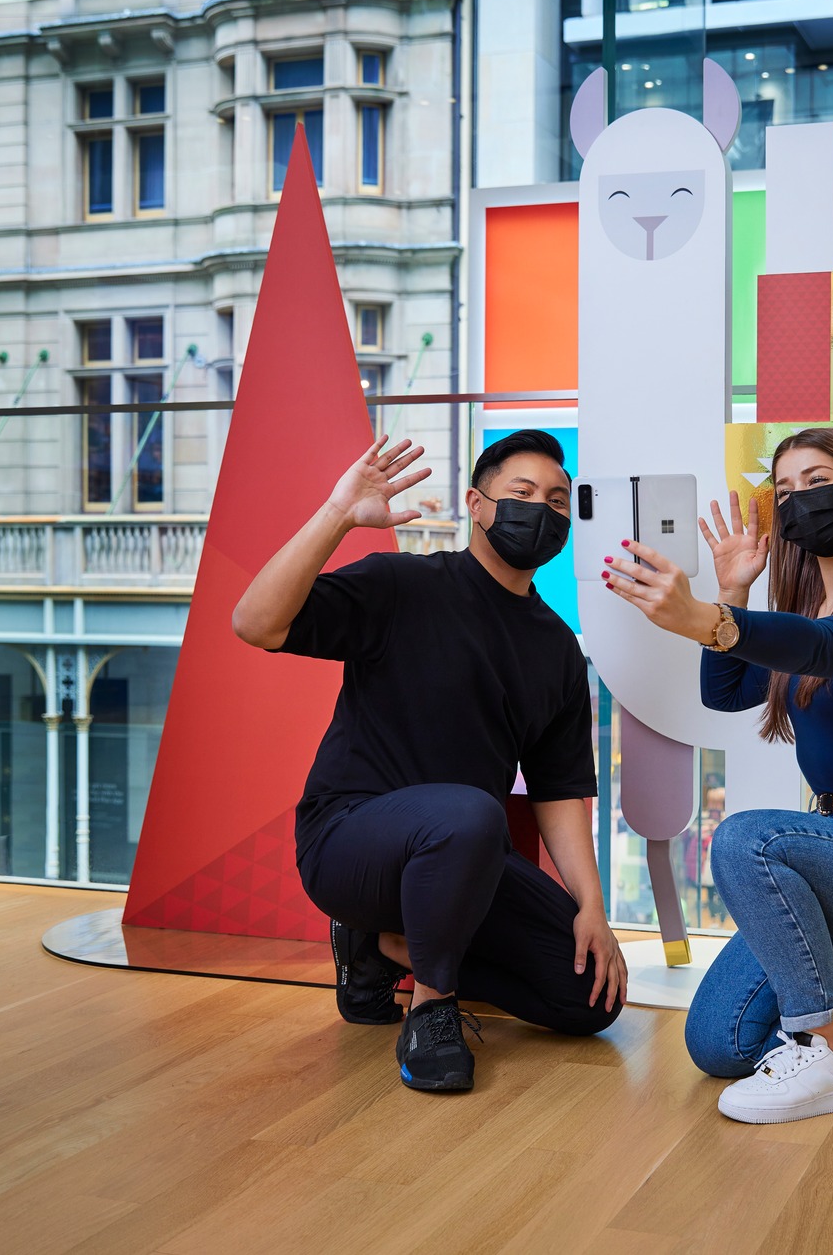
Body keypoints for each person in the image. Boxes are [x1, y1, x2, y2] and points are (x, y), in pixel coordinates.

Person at [233, 429, 626, 1093]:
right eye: (522, 494)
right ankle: (432, 1006)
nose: (542, 510)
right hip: (348, 841)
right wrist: (336, 515)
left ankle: (385, 946)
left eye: (558, 500)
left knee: (592, 998)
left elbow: (560, 791)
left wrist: (592, 906)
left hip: (465, 858)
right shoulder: (403, 585)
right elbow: (256, 622)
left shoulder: (558, 648)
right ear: (476, 505)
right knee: (470, 813)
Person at [602, 426, 833, 1125]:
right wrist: (733, 588)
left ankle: (832, 1056)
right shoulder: (805, 618)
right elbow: (728, 692)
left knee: (746, 838)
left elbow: (828, 648)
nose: (801, 498)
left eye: (817, 480)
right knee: (718, 1039)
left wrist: (709, 619)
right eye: (785, 490)